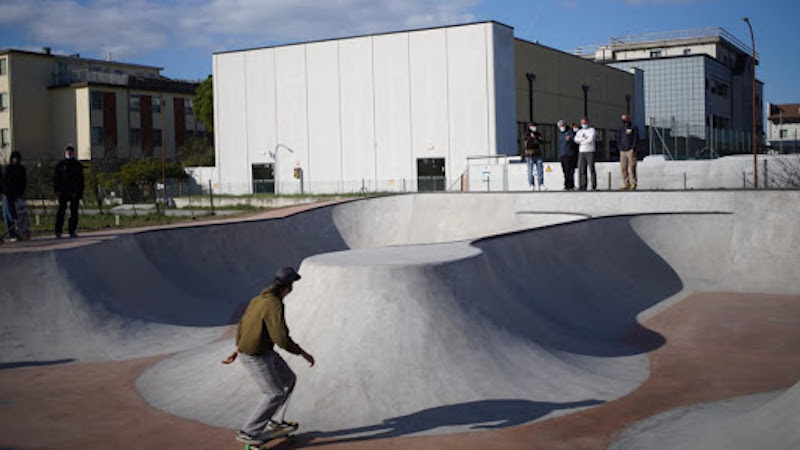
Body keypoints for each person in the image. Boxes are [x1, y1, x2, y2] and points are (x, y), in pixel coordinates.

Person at [222, 267, 315, 446]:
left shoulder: (258, 299)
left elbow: (243, 325)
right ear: (288, 287)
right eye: (292, 285)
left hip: (263, 351)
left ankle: (275, 420)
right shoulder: (275, 304)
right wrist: (303, 353)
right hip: (255, 355)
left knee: (289, 379)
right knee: (274, 393)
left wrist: (237, 349)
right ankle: (248, 431)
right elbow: (281, 338)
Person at [53, 144, 84, 238]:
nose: (69, 153)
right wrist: (56, 190)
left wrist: (80, 193)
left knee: (74, 212)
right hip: (63, 191)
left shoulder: (77, 165)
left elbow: (81, 180)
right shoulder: (60, 165)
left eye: (70, 152)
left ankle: (72, 230)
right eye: (67, 152)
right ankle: (58, 231)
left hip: (74, 192)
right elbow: (56, 178)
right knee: (61, 212)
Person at [3, 151, 27, 241]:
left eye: (17, 158)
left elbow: (23, 182)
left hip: (17, 194)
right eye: (14, 158)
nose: (15, 160)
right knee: (8, 213)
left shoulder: (21, 169)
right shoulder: (8, 169)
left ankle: (20, 231)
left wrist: (20, 193)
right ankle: (11, 233)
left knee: (18, 213)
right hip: (8, 194)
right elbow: (5, 181)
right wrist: (6, 192)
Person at [573, 117, 597, 191]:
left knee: (591, 169)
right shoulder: (579, 131)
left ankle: (593, 185)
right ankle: (583, 185)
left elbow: (590, 139)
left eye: (585, 123)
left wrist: (581, 141)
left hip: (590, 151)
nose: (584, 124)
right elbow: (576, 139)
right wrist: (584, 139)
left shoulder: (592, 130)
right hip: (581, 152)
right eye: (582, 123)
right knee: (582, 169)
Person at [617, 114, 639, 190]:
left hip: (630, 150)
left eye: (625, 118)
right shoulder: (621, 128)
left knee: (632, 167)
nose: (624, 120)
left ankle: (633, 182)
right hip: (623, 150)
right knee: (623, 168)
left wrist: (633, 148)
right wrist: (620, 147)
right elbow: (619, 138)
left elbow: (635, 138)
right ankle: (626, 183)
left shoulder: (633, 127)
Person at [522, 123, 545, 190]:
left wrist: (535, 139)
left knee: (540, 170)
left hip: (538, 154)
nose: (534, 128)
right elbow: (527, 144)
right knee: (530, 171)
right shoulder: (526, 134)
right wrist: (532, 139)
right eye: (533, 126)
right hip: (529, 155)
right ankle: (531, 184)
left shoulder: (537, 134)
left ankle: (541, 184)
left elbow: (541, 141)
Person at [556, 120, 577, 190]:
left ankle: (569, 184)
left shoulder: (570, 132)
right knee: (565, 170)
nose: (561, 127)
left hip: (569, 154)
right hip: (562, 154)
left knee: (569, 170)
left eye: (562, 125)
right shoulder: (560, 133)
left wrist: (570, 138)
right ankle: (568, 183)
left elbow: (574, 140)